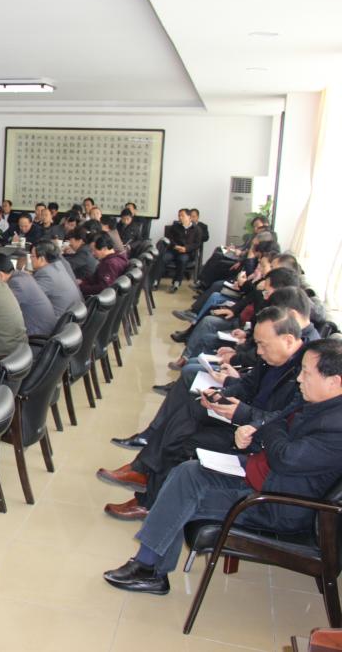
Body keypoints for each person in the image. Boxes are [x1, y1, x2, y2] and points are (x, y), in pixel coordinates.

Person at [101, 338, 342, 596]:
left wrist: (267, 427)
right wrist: (259, 428)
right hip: (264, 475)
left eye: (306, 373)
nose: (299, 379)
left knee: (183, 494)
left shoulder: (336, 425)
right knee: (187, 472)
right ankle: (149, 566)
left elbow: (286, 455)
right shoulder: (316, 401)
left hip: (279, 504)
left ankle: (148, 567)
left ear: (334, 381)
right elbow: (275, 422)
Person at [99, 306, 309, 522]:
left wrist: (243, 413)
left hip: (254, 438)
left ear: (288, 340)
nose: (259, 352)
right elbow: (247, 385)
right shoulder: (272, 358)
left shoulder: (307, 375)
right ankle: (142, 471)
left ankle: (149, 500)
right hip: (242, 419)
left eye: (263, 345)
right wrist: (220, 395)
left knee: (186, 439)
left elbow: (282, 420)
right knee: (193, 406)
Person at [0, 253, 57, 337]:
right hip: (43, 328)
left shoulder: (16, 284)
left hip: (36, 334)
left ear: (0, 275)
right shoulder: (22, 275)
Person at [152, 209, 202, 293]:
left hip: (186, 252)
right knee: (163, 258)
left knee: (182, 260)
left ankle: (176, 283)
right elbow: (169, 239)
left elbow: (197, 244)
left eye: (182, 215)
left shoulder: (197, 229)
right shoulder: (175, 227)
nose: (180, 217)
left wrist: (186, 248)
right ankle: (155, 281)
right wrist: (175, 246)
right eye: (179, 215)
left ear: (189, 217)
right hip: (174, 250)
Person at [32, 241, 84, 317]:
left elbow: (29, 296)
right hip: (72, 315)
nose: (30, 259)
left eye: (32, 256)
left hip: (59, 320)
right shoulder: (59, 265)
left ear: (42, 259)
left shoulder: (46, 274)